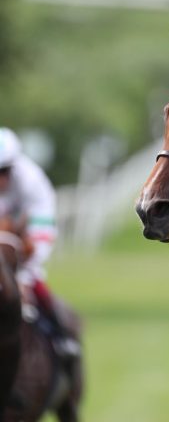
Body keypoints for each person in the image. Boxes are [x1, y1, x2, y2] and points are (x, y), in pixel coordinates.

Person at [0, 127, 78, 357]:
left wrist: (24, 272)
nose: (0, 179)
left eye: (4, 171)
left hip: (25, 245)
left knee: (33, 280)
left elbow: (42, 232)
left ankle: (61, 336)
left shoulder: (32, 180)